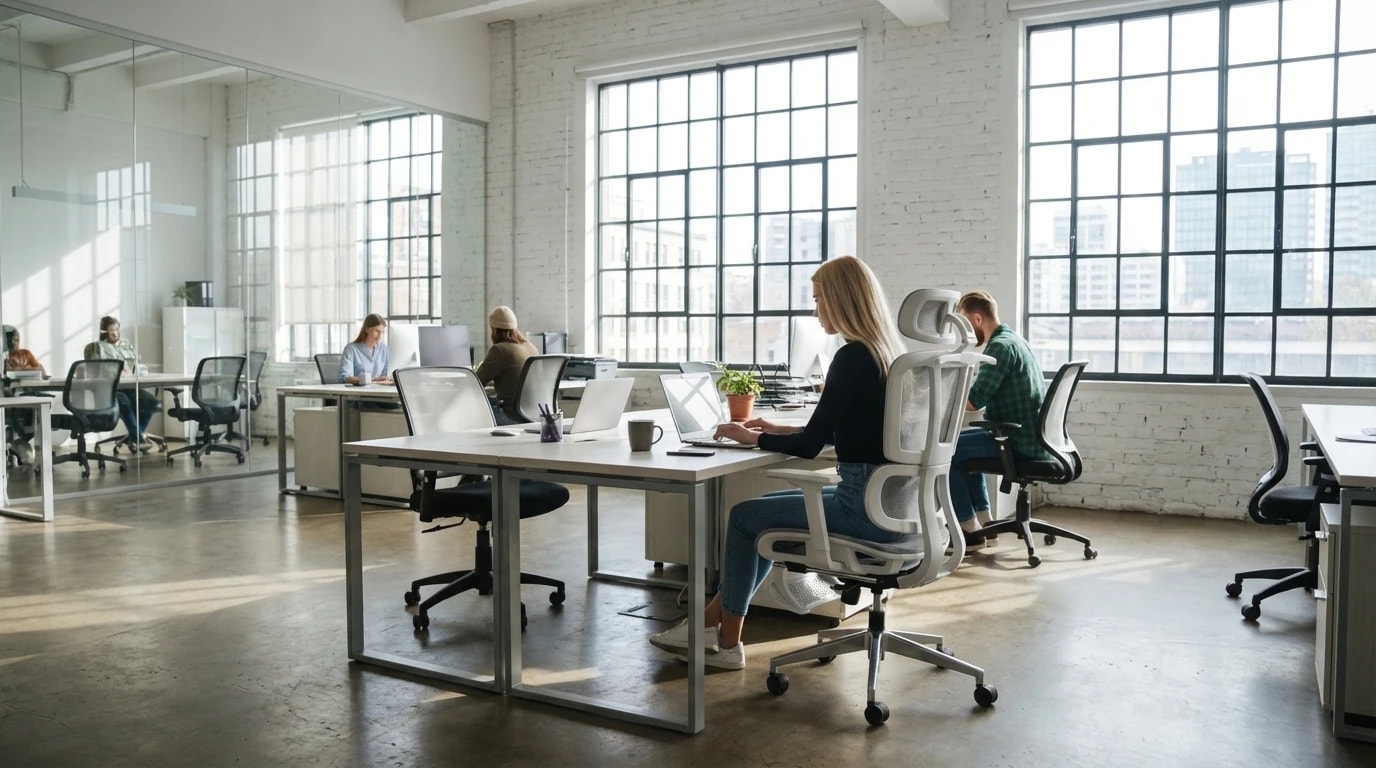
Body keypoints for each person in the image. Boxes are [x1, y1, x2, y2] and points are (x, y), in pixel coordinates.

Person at [647, 256, 908, 671]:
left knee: (744, 517)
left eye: (820, 299)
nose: (815, 309)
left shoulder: (851, 357)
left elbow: (809, 448)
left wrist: (753, 436)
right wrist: (778, 428)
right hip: (896, 508)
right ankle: (712, 619)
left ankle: (725, 640)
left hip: (860, 507)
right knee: (763, 518)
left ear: (841, 301)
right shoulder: (888, 355)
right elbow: (850, 433)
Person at [948, 290, 1049, 549]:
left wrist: (942, 394)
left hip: (1017, 440)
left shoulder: (999, 348)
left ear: (978, 318)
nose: (966, 333)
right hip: (1029, 436)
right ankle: (986, 524)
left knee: (946, 452)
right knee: (958, 445)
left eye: (965, 323)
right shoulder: (1014, 339)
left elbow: (974, 402)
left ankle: (969, 531)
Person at [85, 315, 160, 453]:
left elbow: (133, 366)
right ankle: (138, 438)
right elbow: (92, 372)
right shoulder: (95, 348)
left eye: (116, 330)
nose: (115, 333)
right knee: (123, 400)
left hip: (128, 386)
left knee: (151, 402)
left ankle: (135, 437)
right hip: (108, 390)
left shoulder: (125, 346)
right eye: (111, 331)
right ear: (103, 332)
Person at [474, 305, 537, 425]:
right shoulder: (531, 347)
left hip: (512, 415)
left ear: (494, 329)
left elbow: (476, 382)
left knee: (474, 408)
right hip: (534, 413)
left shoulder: (499, 350)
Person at [4, 326, 46, 465]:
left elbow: (41, 369)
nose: (14, 343)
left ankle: (26, 438)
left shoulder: (25, 353)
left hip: (30, 392)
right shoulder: (3, 357)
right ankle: (16, 440)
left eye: (17, 339)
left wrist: (19, 370)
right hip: (11, 396)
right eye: (10, 340)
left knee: (37, 403)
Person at [338, 314, 393, 386]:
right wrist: (372, 379)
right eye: (377, 331)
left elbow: (384, 377)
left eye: (382, 332)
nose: (380, 336)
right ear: (367, 329)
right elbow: (344, 377)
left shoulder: (384, 350)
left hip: (379, 392)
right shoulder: (351, 349)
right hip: (357, 393)